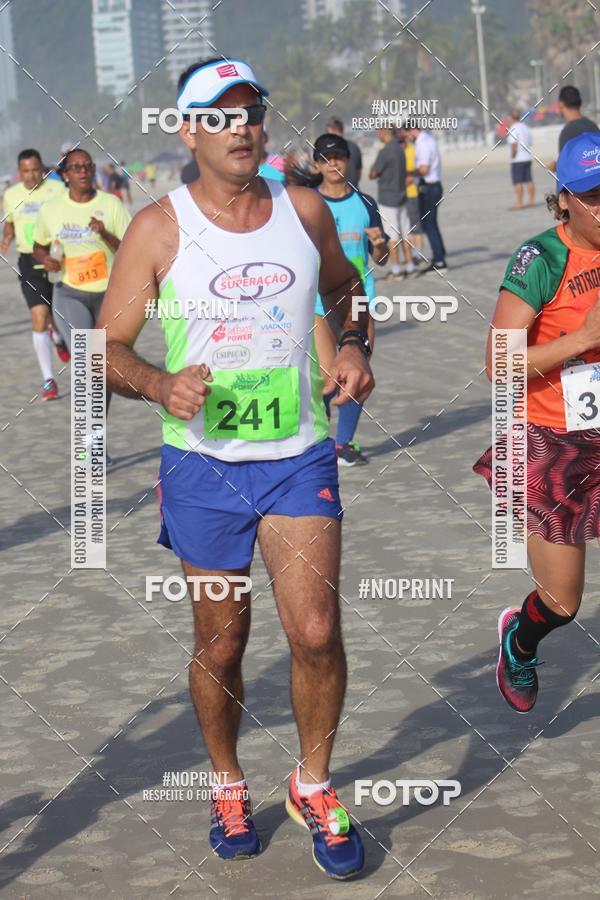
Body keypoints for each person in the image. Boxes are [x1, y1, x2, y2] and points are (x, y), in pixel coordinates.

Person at [97, 56, 374, 879]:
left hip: (296, 456)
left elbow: (347, 288)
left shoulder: (302, 211)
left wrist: (354, 343)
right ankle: (226, 781)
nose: (241, 126)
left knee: (316, 633)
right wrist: (156, 381)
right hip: (203, 469)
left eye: (251, 111)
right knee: (222, 645)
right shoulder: (158, 228)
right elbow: (107, 347)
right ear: (187, 131)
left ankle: (313, 784)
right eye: (219, 115)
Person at [474, 131, 600, 713]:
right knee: (562, 600)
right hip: (552, 441)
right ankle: (519, 642)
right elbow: (498, 362)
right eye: (592, 194)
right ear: (566, 199)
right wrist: (581, 339)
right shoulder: (541, 259)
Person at [288, 133, 387, 465]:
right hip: (316, 300)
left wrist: (379, 244)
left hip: (360, 297)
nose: (333, 164)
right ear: (317, 165)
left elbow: (383, 259)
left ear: (348, 162)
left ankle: (343, 444)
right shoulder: (306, 203)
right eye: (326, 159)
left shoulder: (365, 203)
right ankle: (320, 441)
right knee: (328, 375)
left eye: (339, 157)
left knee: (358, 372)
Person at [33, 148, 131, 460]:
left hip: (108, 294)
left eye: (88, 166)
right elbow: (38, 247)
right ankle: (91, 442)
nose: (84, 171)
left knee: (105, 370)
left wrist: (104, 235)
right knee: (90, 363)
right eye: (77, 167)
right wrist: (46, 260)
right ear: (66, 175)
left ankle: (96, 436)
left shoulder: (110, 205)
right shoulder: (52, 209)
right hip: (69, 292)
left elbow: (130, 248)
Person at [1, 148, 69, 400]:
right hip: (29, 260)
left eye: (35, 170)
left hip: (57, 256)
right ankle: (48, 380)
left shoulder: (57, 189)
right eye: (26, 171)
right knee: (39, 315)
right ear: (19, 173)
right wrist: (7, 235)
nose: (31, 176)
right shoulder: (11, 194)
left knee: (56, 314)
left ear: (43, 169)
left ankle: (58, 336)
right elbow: (10, 220)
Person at [369, 126, 414, 279]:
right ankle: (410, 266)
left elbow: (373, 174)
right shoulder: (400, 149)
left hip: (388, 198)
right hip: (401, 195)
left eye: (379, 131)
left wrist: (374, 169)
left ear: (385, 132)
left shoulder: (385, 150)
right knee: (406, 234)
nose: (377, 134)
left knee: (392, 236)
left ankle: (396, 270)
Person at [406, 126, 447, 274]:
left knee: (428, 225)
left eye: (407, 134)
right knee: (432, 223)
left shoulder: (422, 143)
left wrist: (407, 173)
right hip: (433, 186)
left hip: (429, 187)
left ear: (413, 129)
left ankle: (440, 260)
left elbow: (424, 169)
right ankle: (440, 253)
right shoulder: (428, 139)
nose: (408, 138)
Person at [399, 128, 424, 266]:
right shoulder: (397, 152)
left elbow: (418, 172)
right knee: (406, 228)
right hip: (400, 194)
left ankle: (418, 255)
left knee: (415, 226)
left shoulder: (412, 150)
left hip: (411, 192)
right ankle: (411, 255)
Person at [507, 108, 534, 210]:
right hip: (527, 157)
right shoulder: (526, 128)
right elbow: (530, 142)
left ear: (511, 118)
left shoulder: (513, 128)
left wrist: (512, 156)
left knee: (518, 181)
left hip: (518, 159)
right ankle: (531, 201)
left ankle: (519, 203)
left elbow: (513, 144)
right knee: (529, 180)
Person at [326, 116, 362, 188]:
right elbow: (359, 171)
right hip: (353, 191)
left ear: (331, 130)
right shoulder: (354, 147)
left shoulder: (327, 149)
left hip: (335, 192)